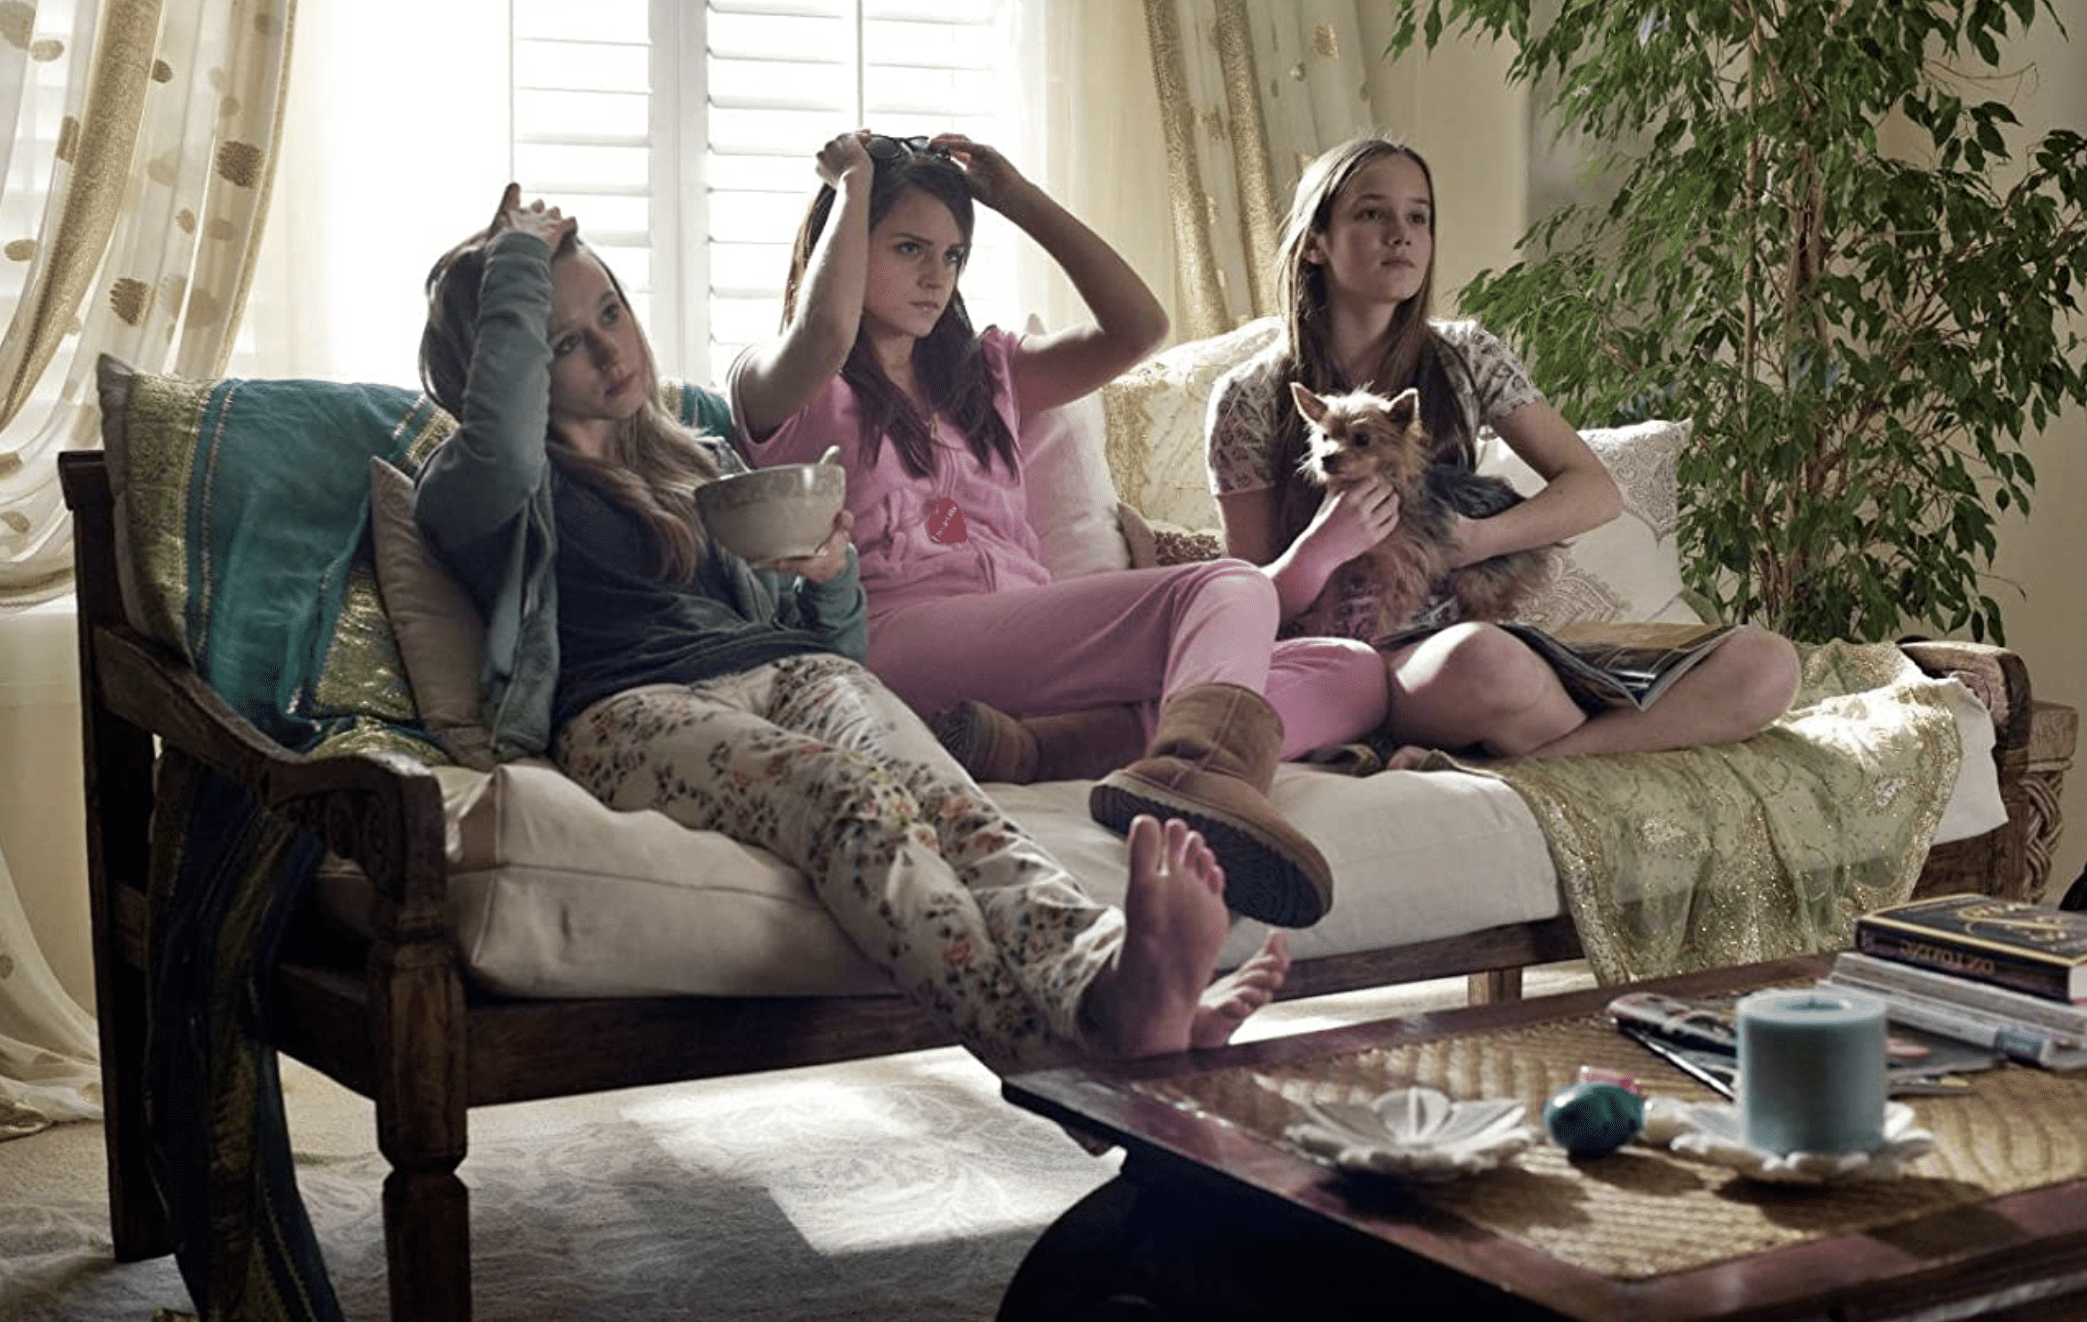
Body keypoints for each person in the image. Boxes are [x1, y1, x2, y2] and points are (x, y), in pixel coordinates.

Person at [412, 183, 1291, 1077]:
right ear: (504, 361)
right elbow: (502, 439)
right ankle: (1072, 1051)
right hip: (626, 709)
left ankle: (1107, 977)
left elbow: (832, 644)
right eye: (563, 342)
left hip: (795, 673)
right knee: (846, 799)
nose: (610, 349)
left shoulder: (695, 462)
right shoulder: (477, 488)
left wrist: (830, 580)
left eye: (611, 311)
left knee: (953, 809)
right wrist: (517, 253)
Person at [730, 130, 1389, 928]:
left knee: (1352, 672)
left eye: (951, 256)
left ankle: (1045, 749)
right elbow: (826, 334)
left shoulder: (984, 373)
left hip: (1025, 655)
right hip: (897, 642)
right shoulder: (782, 381)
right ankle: (1196, 771)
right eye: (909, 249)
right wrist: (852, 184)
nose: (935, 276)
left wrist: (1017, 199)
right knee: (1227, 586)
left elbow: (1139, 326)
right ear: (845, 238)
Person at [1207, 136, 1800, 765]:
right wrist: (1321, 550)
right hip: (1380, 660)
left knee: (1768, 664)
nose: (1401, 235)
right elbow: (1248, 602)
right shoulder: (1249, 399)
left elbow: (1592, 491)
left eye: (1418, 216)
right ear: (1317, 241)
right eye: (1372, 213)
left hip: (1491, 637)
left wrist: (1476, 540)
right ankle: (1582, 736)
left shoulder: (1466, 356)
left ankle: (1538, 756)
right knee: (1489, 664)